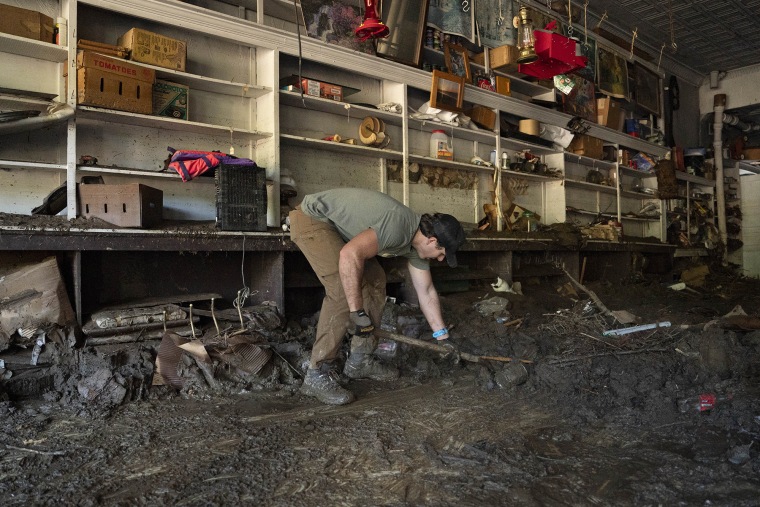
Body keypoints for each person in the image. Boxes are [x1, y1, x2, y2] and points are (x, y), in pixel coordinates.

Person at [289, 188, 466, 405]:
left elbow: (427, 292)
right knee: (343, 291)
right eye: (441, 254)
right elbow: (349, 254)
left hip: (339, 231)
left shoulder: (414, 245)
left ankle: (359, 360)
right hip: (313, 219)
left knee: (375, 281)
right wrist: (357, 312)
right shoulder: (398, 227)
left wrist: (443, 339)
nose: (439, 260)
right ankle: (316, 373)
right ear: (432, 240)